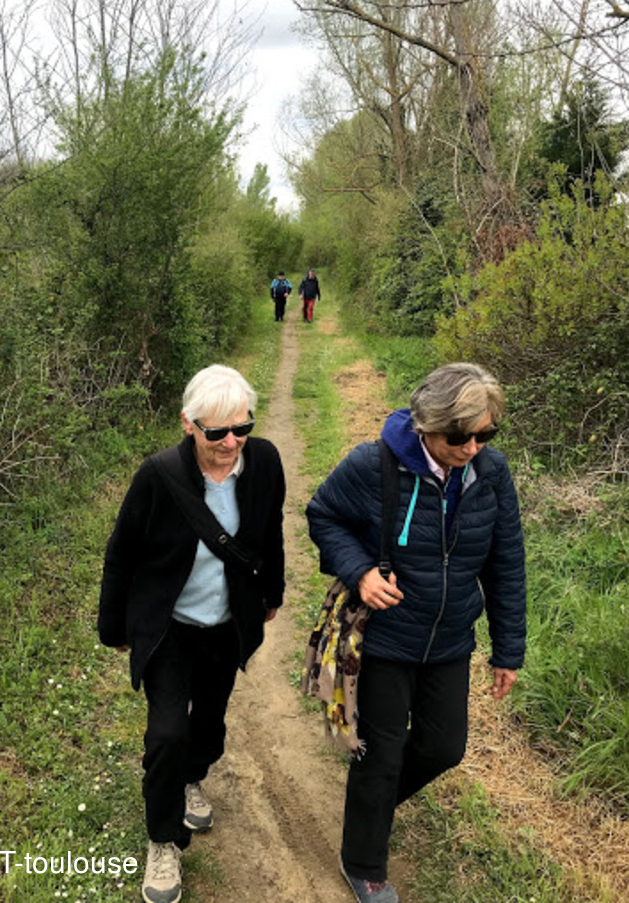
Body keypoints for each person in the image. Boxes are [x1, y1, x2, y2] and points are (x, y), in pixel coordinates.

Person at [306, 362, 526, 903]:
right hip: (384, 638)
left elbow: (506, 563)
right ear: (428, 424)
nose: (472, 448)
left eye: (485, 435)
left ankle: (370, 808)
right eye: (460, 436)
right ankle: (364, 862)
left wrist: (508, 650)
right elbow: (323, 515)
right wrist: (360, 572)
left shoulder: (491, 473)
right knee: (380, 754)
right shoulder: (372, 465)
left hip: (450, 640)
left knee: (444, 747)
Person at [98, 364, 286, 903]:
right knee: (166, 735)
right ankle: (163, 840)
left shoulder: (264, 462)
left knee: (207, 724)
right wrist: (114, 627)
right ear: (188, 424)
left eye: (242, 428)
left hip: (225, 626)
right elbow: (121, 554)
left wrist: (271, 593)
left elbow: (270, 530)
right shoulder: (158, 476)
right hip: (170, 629)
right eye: (216, 431)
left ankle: (190, 779)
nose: (231, 442)